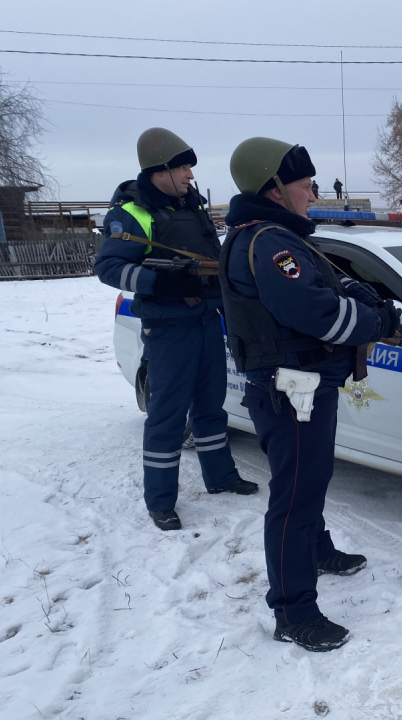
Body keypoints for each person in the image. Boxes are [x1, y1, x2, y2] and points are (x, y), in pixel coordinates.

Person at [219, 138, 402, 652]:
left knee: (308, 482)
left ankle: (317, 551)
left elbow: (321, 293)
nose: (312, 191)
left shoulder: (276, 236)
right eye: (303, 183)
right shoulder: (272, 244)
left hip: (301, 385)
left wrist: (356, 291)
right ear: (273, 189)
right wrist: (376, 320)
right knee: (295, 498)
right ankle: (294, 611)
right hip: (291, 388)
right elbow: (316, 314)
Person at [95, 128, 258, 532]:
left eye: (189, 167)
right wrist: (160, 283)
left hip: (205, 321)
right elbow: (109, 268)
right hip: (168, 329)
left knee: (210, 407)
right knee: (167, 416)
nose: (189, 174)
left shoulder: (192, 206)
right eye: (183, 166)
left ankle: (220, 477)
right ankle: (160, 500)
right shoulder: (132, 213)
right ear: (160, 170)